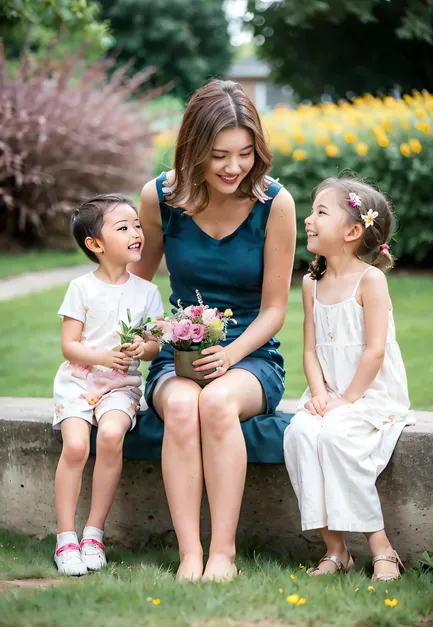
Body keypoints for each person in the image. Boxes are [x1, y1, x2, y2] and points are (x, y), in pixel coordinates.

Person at [130, 80, 296, 581]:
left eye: (245, 153)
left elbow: (274, 310)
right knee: (182, 405)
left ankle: (222, 553)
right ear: (194, 150)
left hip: (252, 355)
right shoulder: (160, 198)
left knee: (218, 403)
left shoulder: (276, 204)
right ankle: (190, 555)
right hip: (178, 353)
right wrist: (145, 338)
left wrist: (230, 356)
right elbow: (137, 289)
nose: (233, 168)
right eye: (219, 155)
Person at [284, 177, 413, 582]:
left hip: (370, 393)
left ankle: (382, 547)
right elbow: (309, 350)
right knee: (301, 433)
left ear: (353, 231)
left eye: (321, 212)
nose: (308, 219)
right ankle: (336, 549)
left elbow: (374, 350)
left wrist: (348, 399)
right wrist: (320, 394)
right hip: (332, 391)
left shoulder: (370, 281)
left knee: (337, 435)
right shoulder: (311, 283)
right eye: (311, 209)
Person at [53, 194, 163, 575]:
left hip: (120, 387)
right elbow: (69, 345)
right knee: (78, 446)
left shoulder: (147, 292)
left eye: (136, 225)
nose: (136, 232)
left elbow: (153, 347)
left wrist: (142, 346)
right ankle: (65, 537)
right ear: (95, 245)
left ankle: (93, 534)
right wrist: (101, 357)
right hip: (79, 382)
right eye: (123, 227)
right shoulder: (81, 288)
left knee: (112, 436)